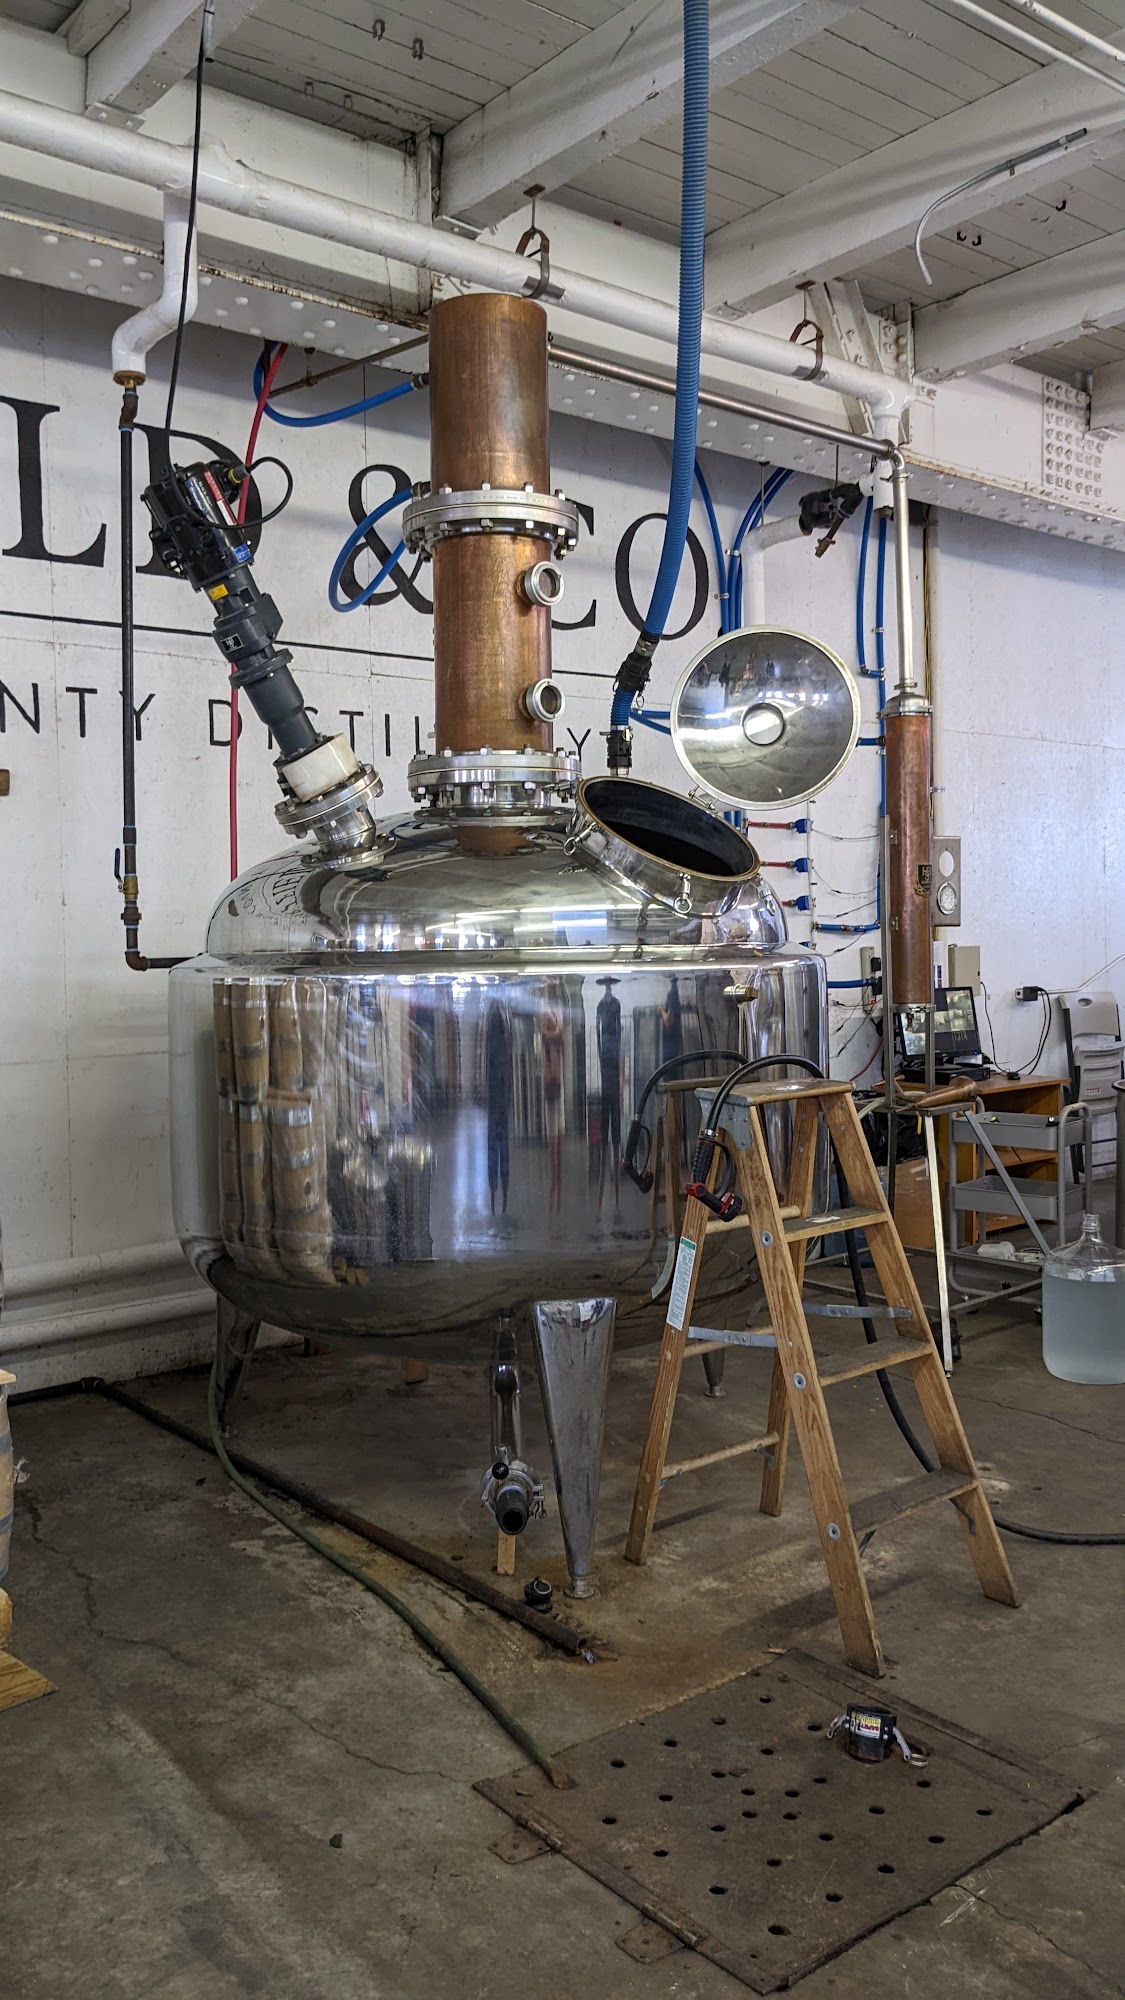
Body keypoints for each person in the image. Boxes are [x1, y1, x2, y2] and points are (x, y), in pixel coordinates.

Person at [596, 975, 623, 1206]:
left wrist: (621, 1074)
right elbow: (597, 1034)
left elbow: (619, 1035)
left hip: (612, 1063)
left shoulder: (616, 1005)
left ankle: (616, 1187)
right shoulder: (600, 1006)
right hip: (606, 1065)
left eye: (608, 985)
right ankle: (606, 1182)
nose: (607, 988)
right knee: (606, 1126)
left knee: (616, 1129)